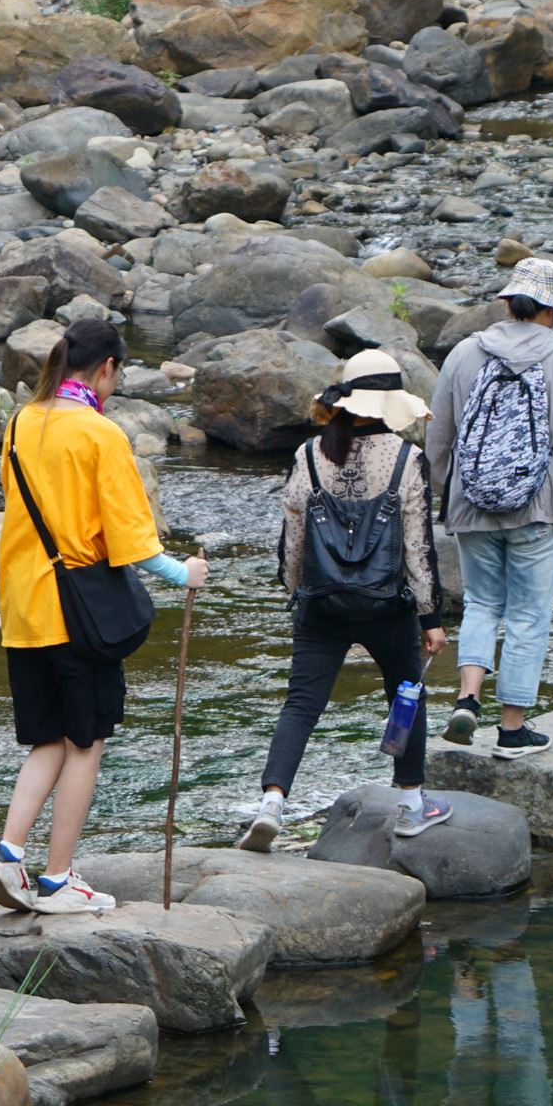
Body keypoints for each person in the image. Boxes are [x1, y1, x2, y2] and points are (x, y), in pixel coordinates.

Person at [0, 317, 206, 918]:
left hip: (24, 607)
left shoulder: (19, 423)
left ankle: (8, 853)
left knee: (47, 736)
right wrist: (183, 574)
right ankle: (57, 879)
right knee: (85, 741)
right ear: (107, 367)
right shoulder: (100, 434)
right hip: (77, 613)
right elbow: (132, 541)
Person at [241, 350, 453, 849]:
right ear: (388, 404)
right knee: (407, 695)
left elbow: (293, 536)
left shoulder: (309, 454)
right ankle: (410, 806)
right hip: (387, 606)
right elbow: (418, 548)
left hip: (323, 605)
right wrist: (431, 618)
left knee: (301, 705)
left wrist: (299, 594)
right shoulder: (407, 459)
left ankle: (271, 803)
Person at [427, 259, 553, 752]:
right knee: (527, 615)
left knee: (481, 603)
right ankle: (513, 729)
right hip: (539, 509)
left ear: (507, 301)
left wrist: (450, 494)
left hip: (472, 505)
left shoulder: (464, 352)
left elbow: (439, 437)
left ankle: (467, 699)